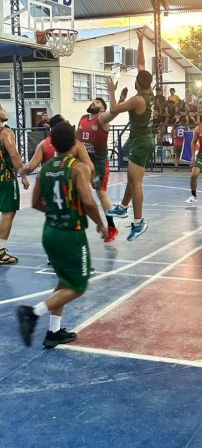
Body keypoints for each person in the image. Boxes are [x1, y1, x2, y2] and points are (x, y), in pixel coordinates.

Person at [16, 122, 107, 348]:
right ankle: (33, 312)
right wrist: (100, 224)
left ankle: (53, 332)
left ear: (53, 144)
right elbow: (88, 202)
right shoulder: (78, 168)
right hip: (71, 235)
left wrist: (57, 211)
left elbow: (36, 202)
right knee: (78, 286)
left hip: (50, 233)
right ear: (75, 143)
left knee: (64, 280)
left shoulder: (46, 169)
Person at [106, 28, 154, 240]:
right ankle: (124, 207)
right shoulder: (148, 91)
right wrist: (141, 40)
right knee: (131, 178)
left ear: (138, 83)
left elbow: (114, 109)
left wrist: (112, 91)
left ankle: (139, 222)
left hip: (141, 141)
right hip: (143, 140)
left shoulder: (137, 100)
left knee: (136, 183)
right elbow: (141, 64)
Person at [76, 87, 127, 243]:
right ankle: (75, 223)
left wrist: (119, 100)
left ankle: (111, 227)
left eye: (98, 102)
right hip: (83, 161)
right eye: (94, 101)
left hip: (98, 162)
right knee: (75, 190)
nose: (94, 102)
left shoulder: (102, 119)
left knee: (101, 193)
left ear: (103, 109)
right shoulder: (83, 118)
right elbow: (76, 139)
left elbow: (113, 112)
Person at [0, 105, 30, 264]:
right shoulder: (6, 132)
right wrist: (23, 174)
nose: (5, 111)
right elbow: (13, 153)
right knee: (8, 212)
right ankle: (0, 252)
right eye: (2, 109)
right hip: (5, 178)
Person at [22, 114, 94, 178]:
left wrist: (21, 171)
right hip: (68, 182)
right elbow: (90, 168)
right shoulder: (76, 144)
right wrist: (90, 181)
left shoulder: (43, 144)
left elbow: (30, 167)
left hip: (49, 181)